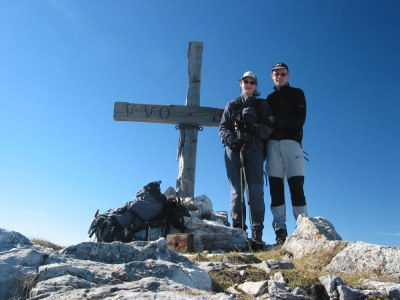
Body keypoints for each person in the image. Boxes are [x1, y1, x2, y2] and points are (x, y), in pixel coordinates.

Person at [219, 71, 274, 250]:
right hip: (234, 151)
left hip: (255, 151)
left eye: (252, 82)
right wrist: (232, 141)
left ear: (256, 85)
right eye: (245, 81)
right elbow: (224, 128)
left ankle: (257, 234)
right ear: (240, 83)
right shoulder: (232, 105)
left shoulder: (262, 105)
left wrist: (251, 128)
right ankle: (239, 231)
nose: (248, 84)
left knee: (256, 191)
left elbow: (268, 129)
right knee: (237, 191)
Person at [265, 62, 308, 245]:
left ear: (288, 76)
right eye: (276, 74)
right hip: (273, 145)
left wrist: (276, 122)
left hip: (293, 144)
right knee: (275, 188)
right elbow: (266, 123)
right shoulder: (269, 98)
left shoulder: (297, 93)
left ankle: (304, 230)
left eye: (283, 74)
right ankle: (280, 232)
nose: (279, 77)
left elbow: (299, 119)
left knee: (296, 186)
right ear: (271, 75)